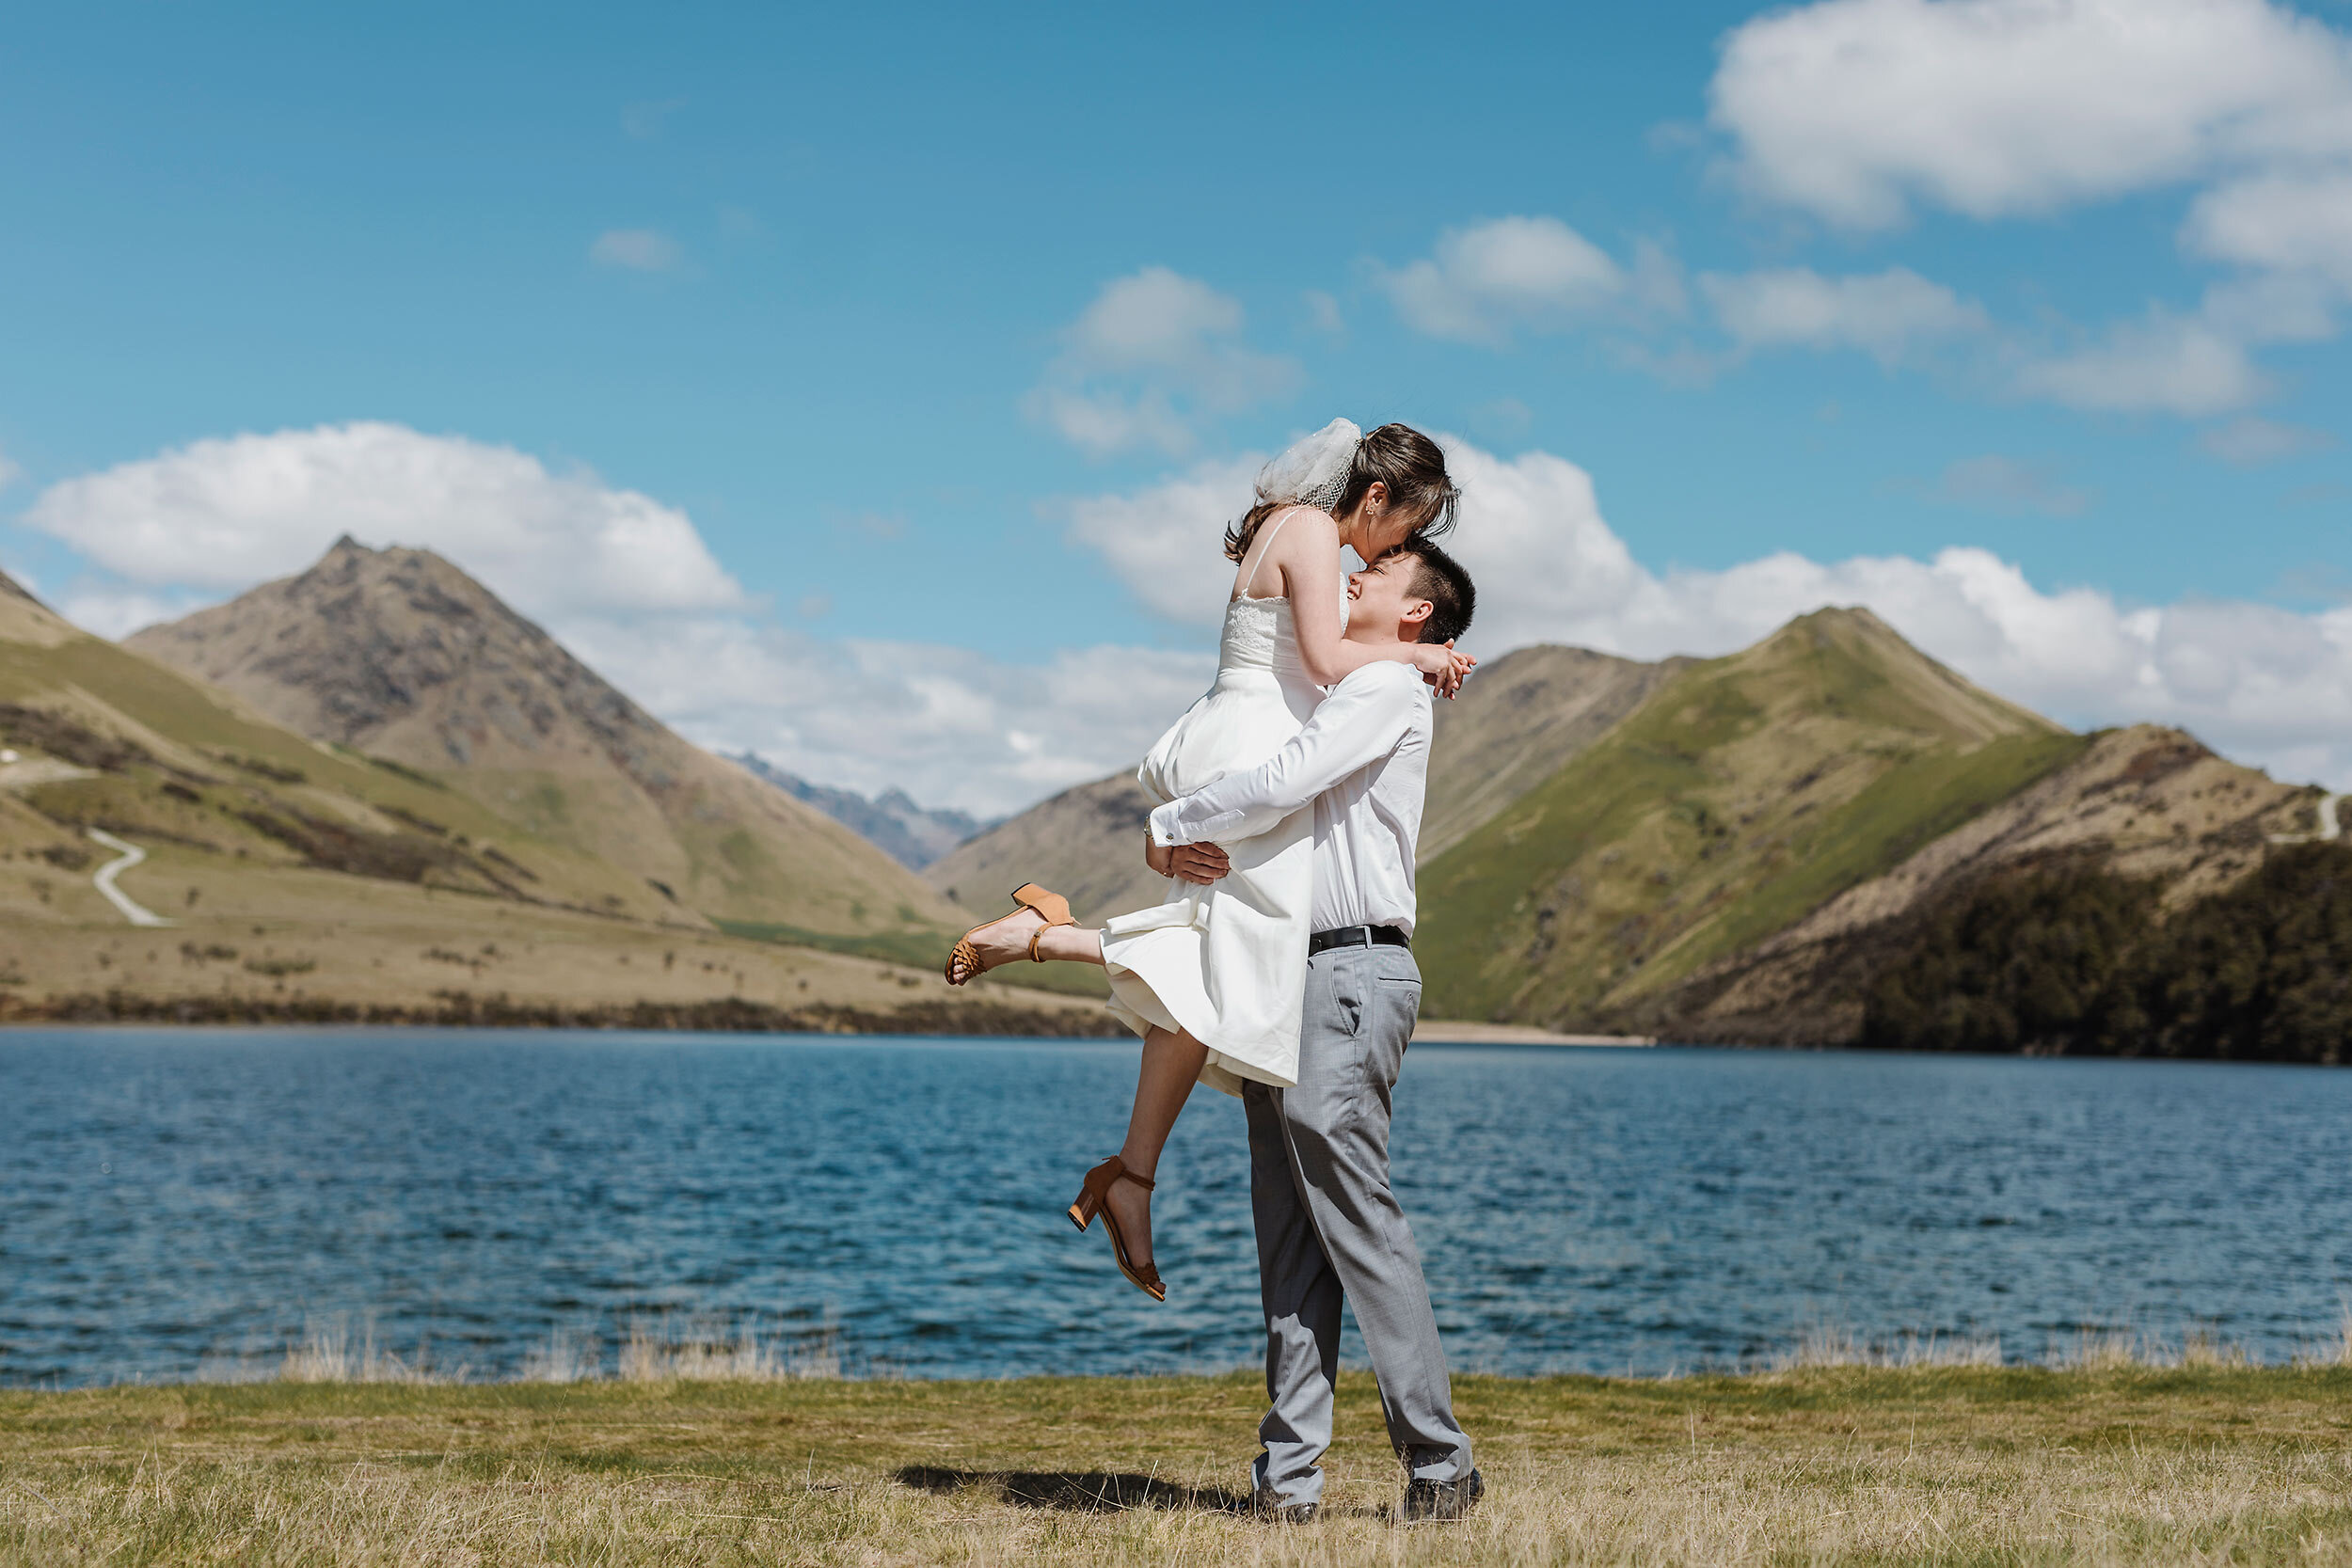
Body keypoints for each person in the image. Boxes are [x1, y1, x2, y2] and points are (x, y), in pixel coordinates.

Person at [943, 420, 1471, 1304]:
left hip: (1234, 729)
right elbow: (1325, 659)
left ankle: (1132, 1170)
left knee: (1208, 970)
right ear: (1375, 496)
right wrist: (1415, 652)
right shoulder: (1312, 529)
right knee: (1226, 965)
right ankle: (1043, 943)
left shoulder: (1295, 526)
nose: (1393, 548)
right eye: (1405, 526)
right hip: (1255, 744)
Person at [1146, 537, 1484, 1523]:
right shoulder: (1365, 677)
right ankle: (1287, 1482)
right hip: (1289, 973)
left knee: (1357, 1216)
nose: (1353, 570)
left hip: (1346, 970)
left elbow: (1285, 779)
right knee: (1291, 1235)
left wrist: (1171, 821)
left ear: (1415, 609)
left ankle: (1441, 1463)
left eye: (1380, 570)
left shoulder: (1384, 689)